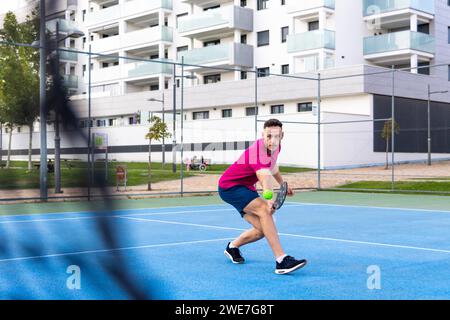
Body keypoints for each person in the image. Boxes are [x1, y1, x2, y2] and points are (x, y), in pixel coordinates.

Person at [218, 119, 307, 275]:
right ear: (262, 135)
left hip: (245, 187)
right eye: (269, 136)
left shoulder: (276, 147)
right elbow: (264, 178)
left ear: (282, 136)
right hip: (230, 187)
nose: (272, 140)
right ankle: (281, 260)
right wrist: (269, 198)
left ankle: (232, 247)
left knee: (262, 229)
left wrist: (283, 184)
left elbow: (273, 167)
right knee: (264, 211)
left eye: (277, 136)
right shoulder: (257, 151)